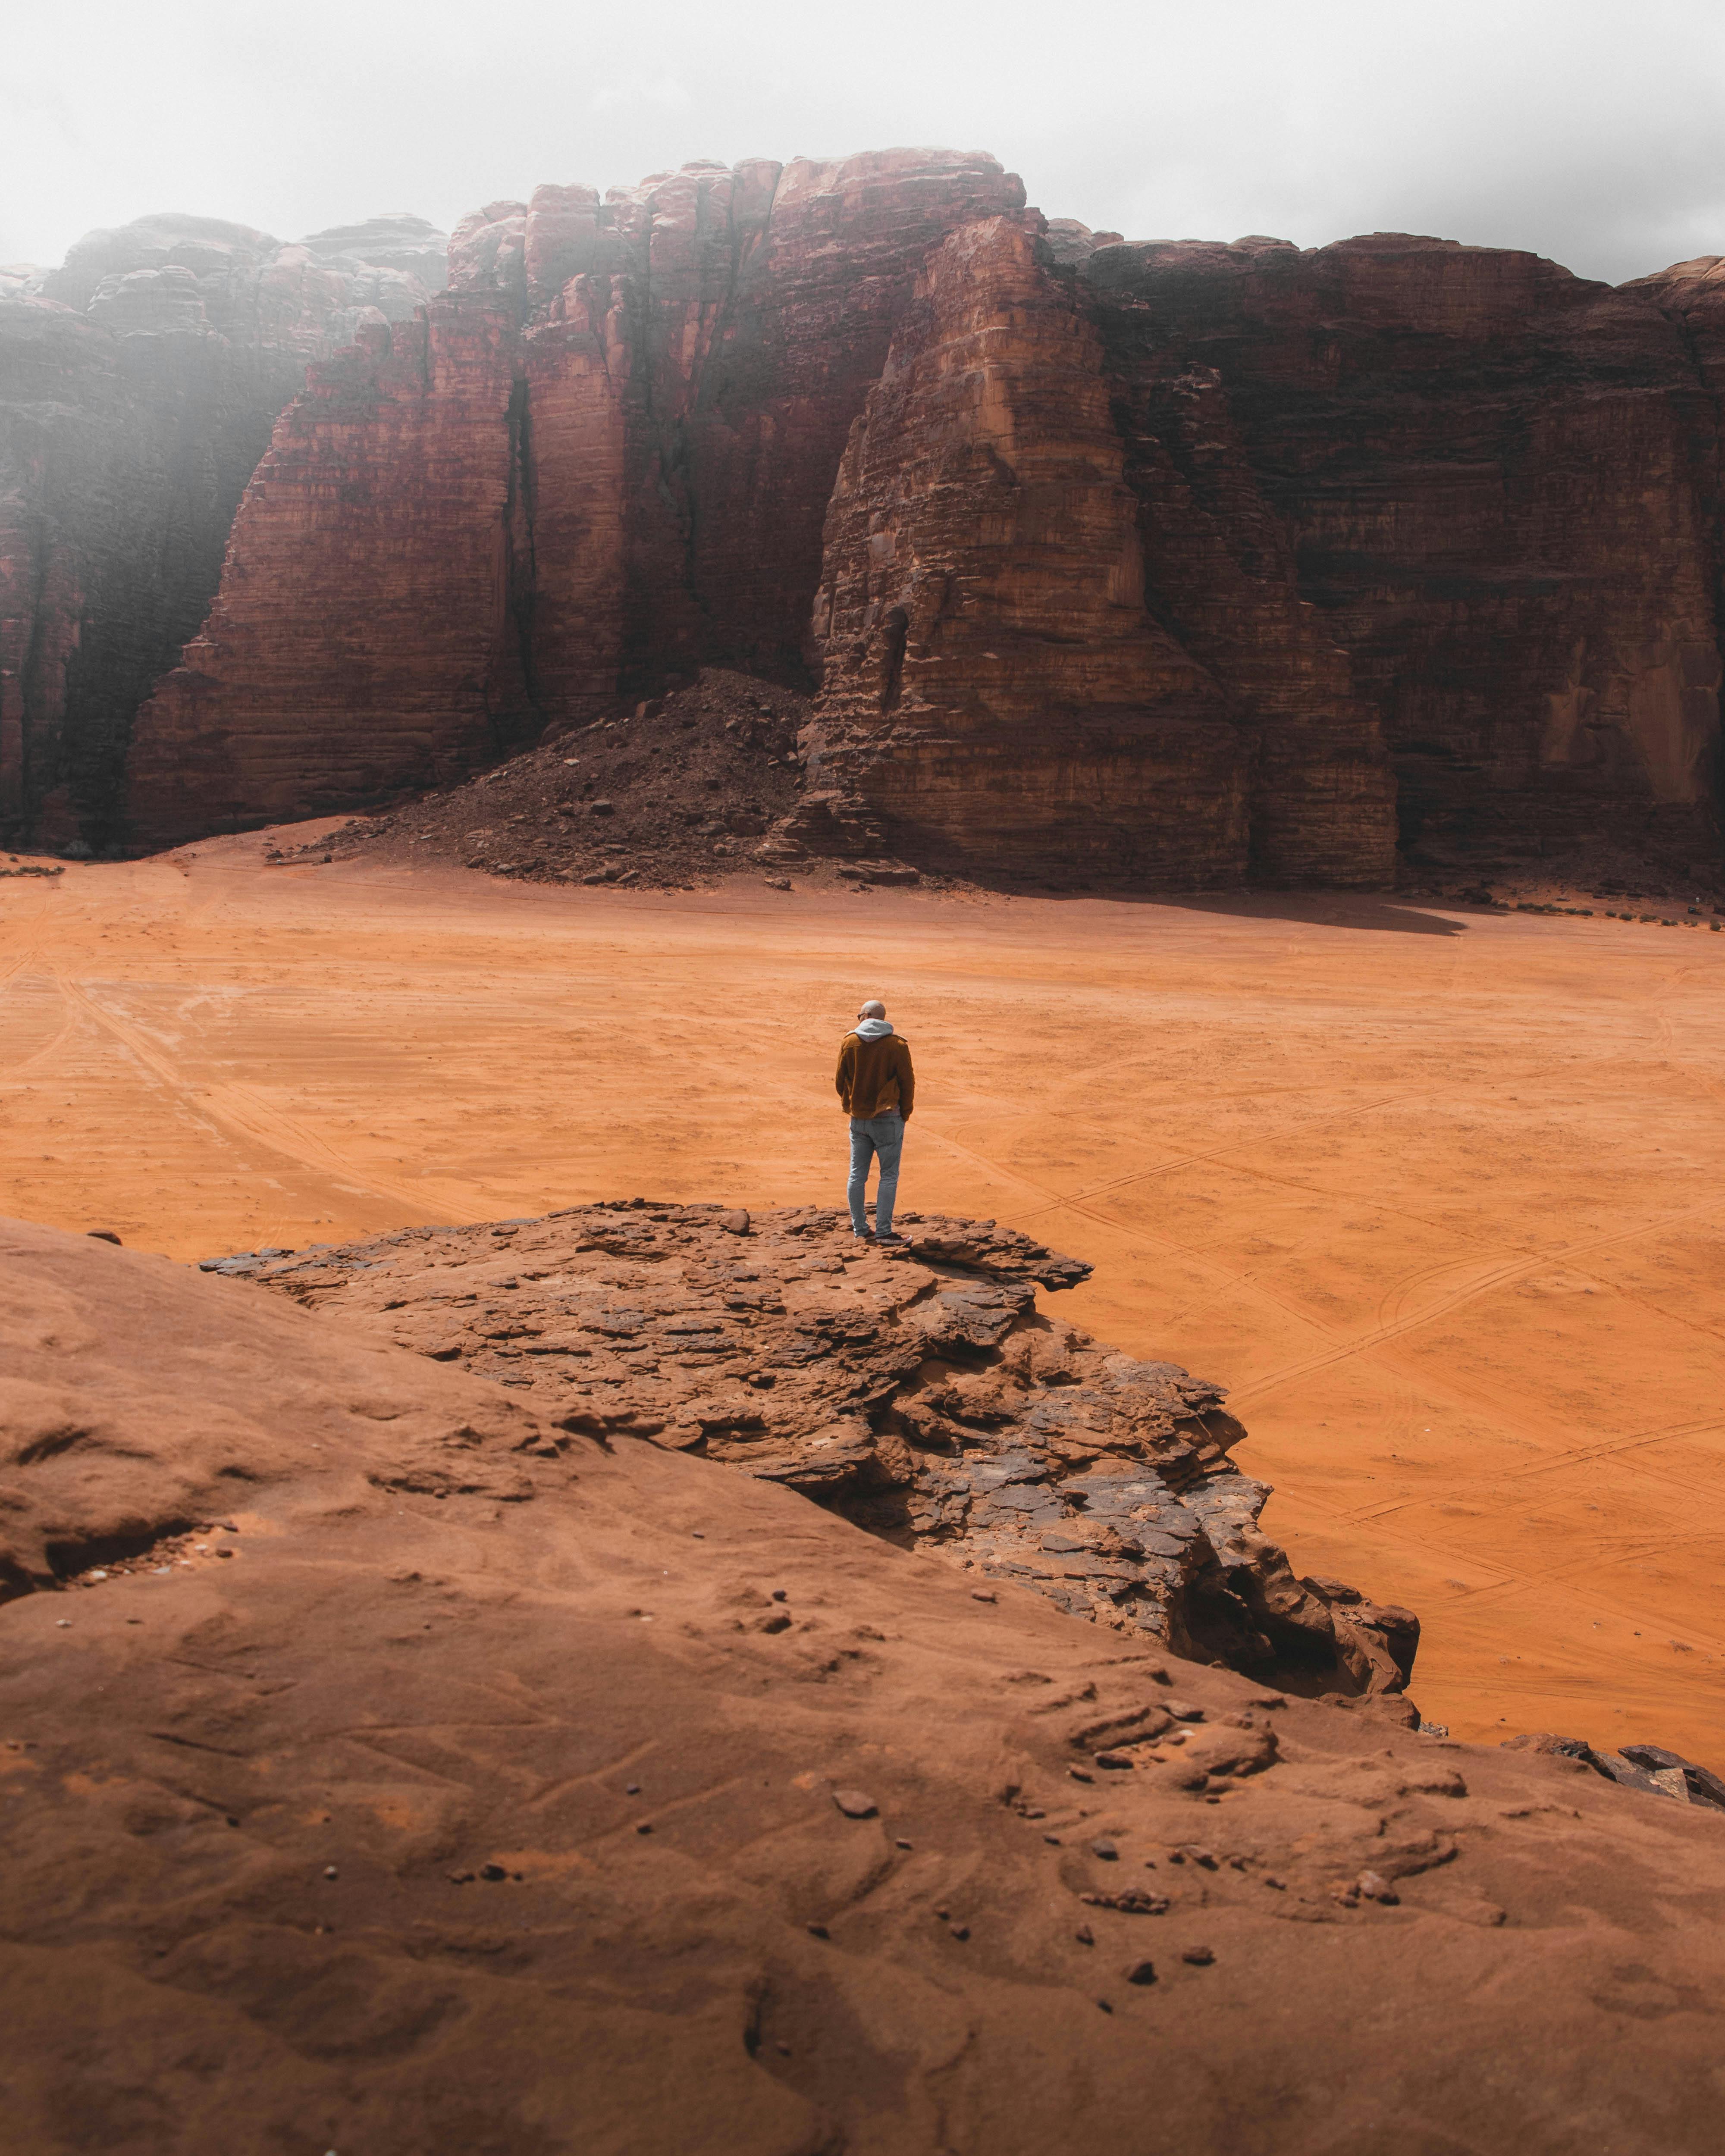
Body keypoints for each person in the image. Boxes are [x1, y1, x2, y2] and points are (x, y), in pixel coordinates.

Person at [835, 998, 915, 1244]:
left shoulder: (849, 1042)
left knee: (857, 1175)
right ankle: (884, 1232)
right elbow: (907, 1082)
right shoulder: (897, 1045)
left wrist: (853, 1103)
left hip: (858, 1120)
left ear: (864, 1017)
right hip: (889, 1120)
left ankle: (860, 1230)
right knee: (888, 1176)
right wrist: (905, 1113)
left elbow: (840, 1082)